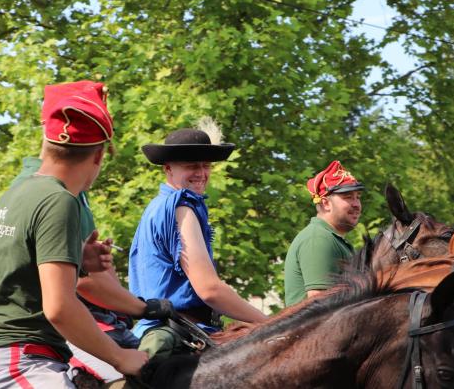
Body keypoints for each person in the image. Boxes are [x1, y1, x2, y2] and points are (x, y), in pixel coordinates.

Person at [0, 81, 149, 388]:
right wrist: (120, 357)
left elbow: (22, 268)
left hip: (10, 360)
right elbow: (60, 308)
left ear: (46, 140)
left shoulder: (22, 190)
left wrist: (76, 256)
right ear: (98, 156)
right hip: (20, 363)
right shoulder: (59, 201)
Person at [129, 120, 267, 362]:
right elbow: (209, 289)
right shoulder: (180, 206)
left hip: (175, 330)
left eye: (206, 166)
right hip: (178, 337)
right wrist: (271, 323)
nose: (202, 173)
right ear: (168, 169)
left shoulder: (159, 206)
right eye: (192, 166)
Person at [284, 160, 364, 306]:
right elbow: (320, 306)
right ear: (326, 203)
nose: (356, 204)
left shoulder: (331, 238)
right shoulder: (319, 239)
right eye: (348, 197)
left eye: (357, 197)